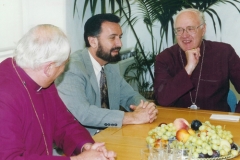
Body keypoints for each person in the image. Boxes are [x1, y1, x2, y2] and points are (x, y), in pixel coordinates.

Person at [0, 24, 116, 160]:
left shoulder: (42, 79)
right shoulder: (4, 95)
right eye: (63, 65)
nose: (63, 71)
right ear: (48, 68)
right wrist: (78, 159)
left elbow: (63, 123)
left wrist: (85, 146)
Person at [55, 13, 158, 136]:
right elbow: (84, 113)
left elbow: (129, 96)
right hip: (83, 142)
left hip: (111, 135)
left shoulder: (110, 64)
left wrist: (146, 108)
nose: (119, 44)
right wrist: (132, 117)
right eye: (112, 38)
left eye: (120, 37)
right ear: (93, 41)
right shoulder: (72, 68)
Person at [154, 8, 240, 112]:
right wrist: (188, 69)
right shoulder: (164, 58)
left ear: (203, 29)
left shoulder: (224, 52)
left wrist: (237, 117)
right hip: (178, 123)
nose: (184, 35)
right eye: (179, 30)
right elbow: (162, 100)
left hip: (217, 124)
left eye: (190, 28)